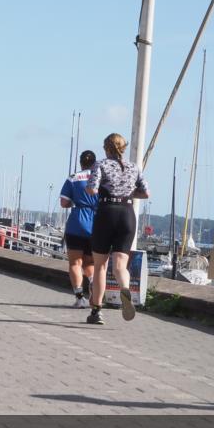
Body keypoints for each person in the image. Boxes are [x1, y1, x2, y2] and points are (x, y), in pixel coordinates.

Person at [85, 133, 150, 325]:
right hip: (127, 214)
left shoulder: (101, 164)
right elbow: (146, 193)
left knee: (100, 266)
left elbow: (92, 189)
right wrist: (127, 192)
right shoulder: (134, 167)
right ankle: (125, 289)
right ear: (123, 147)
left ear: (106, 148)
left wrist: (98, 190)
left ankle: (96, 311)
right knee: (121, 265)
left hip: (107, 213)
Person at [59, 150, 98, 308]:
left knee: (75, 263)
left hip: (77, 223)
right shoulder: (101, 179)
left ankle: (80, 298)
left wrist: (74, 202)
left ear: (81, 163)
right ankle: (93, 284)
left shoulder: (73, 178)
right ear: (95, 164)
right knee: (90, 263)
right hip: (96, 225)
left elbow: (63, 202)